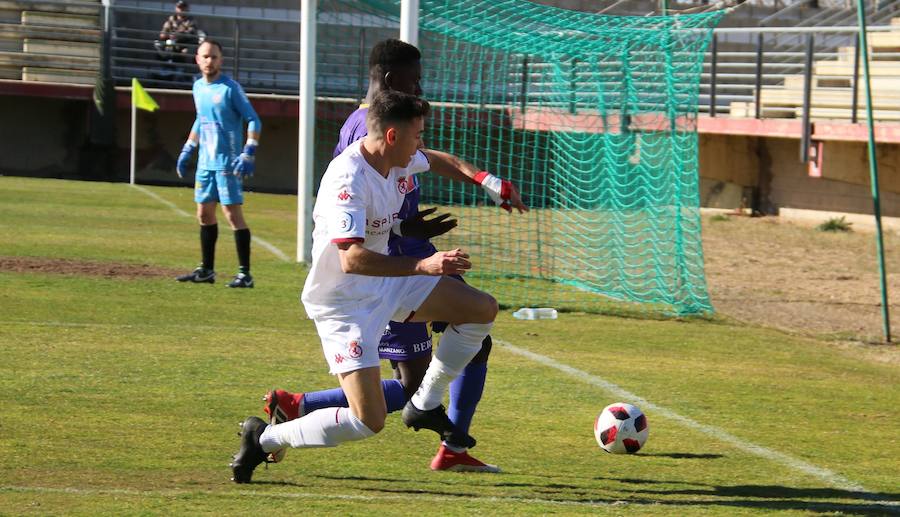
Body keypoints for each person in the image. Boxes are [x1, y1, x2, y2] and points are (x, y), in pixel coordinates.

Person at [261, 39, 528, 473]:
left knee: (479, 312)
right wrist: (422, 261)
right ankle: (275, 428)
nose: (420, 143)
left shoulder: (397, 148)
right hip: (349, 299)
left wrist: (484, 179)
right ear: (390, 131)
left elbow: (428, 162)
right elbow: (351, 255)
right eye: (417, 134)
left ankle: (430, 413)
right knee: (372, 418)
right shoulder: (353, 162)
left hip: (393, 274)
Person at [175, 39, 261, 288]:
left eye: (213, 56)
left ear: (220, 60)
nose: (209, 61)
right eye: (205, 56)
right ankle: (206, 270)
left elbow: (253, 119)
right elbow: (201, 120)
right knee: (204, 213)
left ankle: (245, 274)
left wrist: (248, 152)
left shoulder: (230, 88)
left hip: (227, 163)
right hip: (205, 164)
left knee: (232, 215)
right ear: (197, 59)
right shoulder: (198, 88)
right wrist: (188, 148)